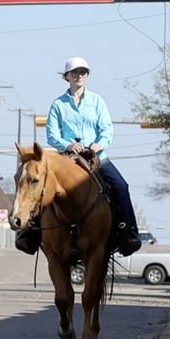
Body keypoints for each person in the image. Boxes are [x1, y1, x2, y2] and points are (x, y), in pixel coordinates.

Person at [43, 56, 142, 257]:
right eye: (75, 72)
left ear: (87, 76)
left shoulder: (97, 101)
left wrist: (100, 144)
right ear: (67, 76)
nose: (79, 76)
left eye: (83, 72)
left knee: (121, 186)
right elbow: (52, 134)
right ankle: (29, 233)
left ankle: (128, 232)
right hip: (67, 157)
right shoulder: (58, 104)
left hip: (96, 156)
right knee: (39, 185)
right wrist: (67, 144)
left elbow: (106, 129)